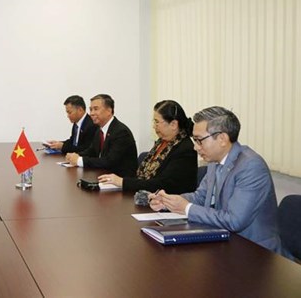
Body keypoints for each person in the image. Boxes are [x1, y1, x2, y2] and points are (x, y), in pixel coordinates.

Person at [149, 106, 282, 254]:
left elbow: (234, 221)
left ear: (222, 139)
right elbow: (200, 197)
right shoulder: (214, 161)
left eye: (199, 140)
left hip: (255, 251)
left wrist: (186, 208)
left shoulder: (250, 166)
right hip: (224, 243)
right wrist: (169, 201)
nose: (195, 147)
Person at [98, 100, 197, 193]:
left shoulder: (185, 149)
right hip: (147, 196)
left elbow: (163, 185)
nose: (154, 126)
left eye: (157, 122)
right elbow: (142, 176)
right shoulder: (162, 142)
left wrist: (122, 182)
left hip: (169, 205)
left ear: (173, 124)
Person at [66, 94, 138, 177]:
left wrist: (79, 160)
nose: (92, 113)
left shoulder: (121, 132)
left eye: (96, 109)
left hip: (120, 181)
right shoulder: (99, 129)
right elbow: (91, 151)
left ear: (109, 110)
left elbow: (109, 161)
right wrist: (76, 155)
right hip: (104, 176)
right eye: (91, 109)